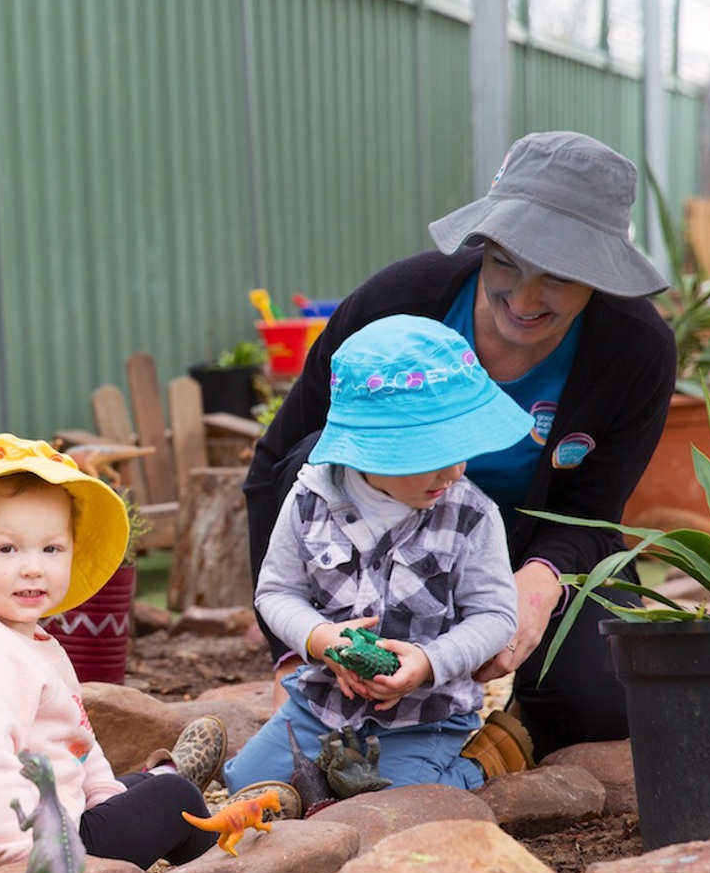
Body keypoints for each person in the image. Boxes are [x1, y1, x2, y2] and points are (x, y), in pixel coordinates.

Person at [246, 130, 676, 760]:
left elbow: (592, 513)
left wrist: (535, 589)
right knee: (316, 451)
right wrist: (295, 645)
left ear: (600, 275)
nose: (523, 300)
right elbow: (277, 466)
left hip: (526, 546)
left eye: (557, 278)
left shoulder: (635, 350)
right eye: (505, 264)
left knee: (606, 699)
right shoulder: (401, 302)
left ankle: (498, 740)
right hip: (371, 548)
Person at [223, 315, 535, 793]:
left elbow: (494, 615)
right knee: (249, 784)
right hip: (322, 707)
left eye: (462, 450)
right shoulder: (310, 500)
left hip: (425, 717)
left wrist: (428, 663)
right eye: (431, 456)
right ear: (369, 450)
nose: (453, 471)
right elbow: (277, 592)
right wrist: (322, 639)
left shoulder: (471, 515)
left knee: (394, 804)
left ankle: (485, 761)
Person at [0, 434, 226, 873]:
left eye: (51, 549)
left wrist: (104, 797)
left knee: (141, 790)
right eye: (7, 549)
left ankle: (159, 792)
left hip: (53, 826)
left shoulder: (23, 640)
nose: (33, 567)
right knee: (173, 797)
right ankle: (228, 872)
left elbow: (73, 737)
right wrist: (27, 854)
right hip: (18, 862)